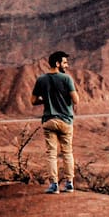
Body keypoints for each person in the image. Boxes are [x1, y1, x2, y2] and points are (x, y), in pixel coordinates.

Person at [31, 50, 79, 194]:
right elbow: (76, 100)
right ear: (57, 64)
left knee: (51, 154)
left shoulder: (41, 79)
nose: (67, 65)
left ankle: (53, 185)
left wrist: (46, 99)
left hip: (49, 120)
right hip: (65, 121)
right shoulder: (67, 79)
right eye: (65, 62)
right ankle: (69, 183)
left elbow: (33, 101)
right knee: (67, 152)